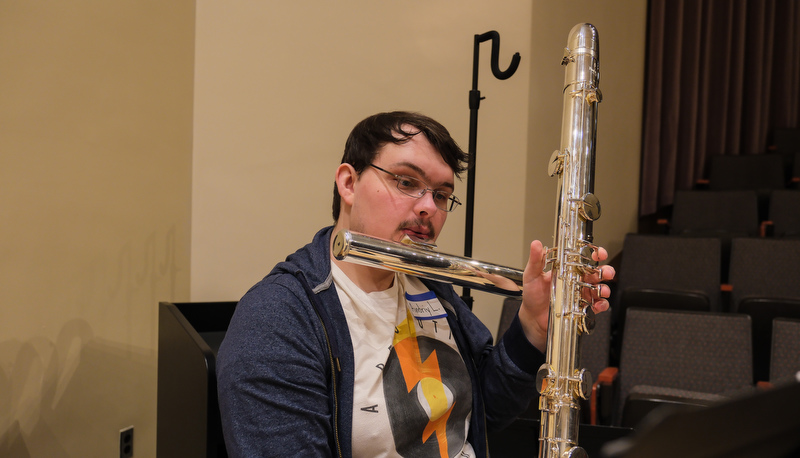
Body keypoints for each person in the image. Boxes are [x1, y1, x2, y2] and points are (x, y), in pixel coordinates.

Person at [216, 111, 613, 458]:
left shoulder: (426, 282)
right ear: (348, 183)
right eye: (406, 182)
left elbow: (482, 413)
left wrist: (532, 326)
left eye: (441, 195)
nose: (428, 208)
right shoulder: (275, 320)